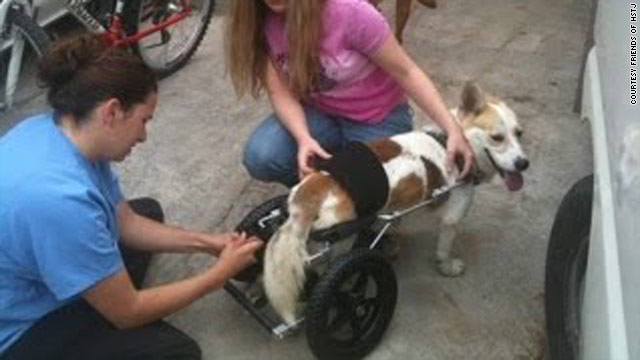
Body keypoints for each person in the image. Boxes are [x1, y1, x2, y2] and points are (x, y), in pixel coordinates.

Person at [0, 34, 262, 360]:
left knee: (147, 211)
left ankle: (100, 291)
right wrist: (217, 275)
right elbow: (127, 313)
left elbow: (125, 222)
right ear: (112, 112)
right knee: (177, 352)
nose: (143, 135)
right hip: (21, 327)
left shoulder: (53, 132)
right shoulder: (61, 202)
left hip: (37, 261)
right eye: (144, 120)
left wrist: (208, 243)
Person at [225, 0, 475, 187]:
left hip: (377, 117)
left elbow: (407, 72)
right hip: (321, 113)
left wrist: (451, 129)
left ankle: (370, 222)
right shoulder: (262, 21)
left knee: (370, 185)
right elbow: (280, 94)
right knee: (261, 156)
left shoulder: (349, 12)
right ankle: (319, 187)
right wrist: (303, 139)